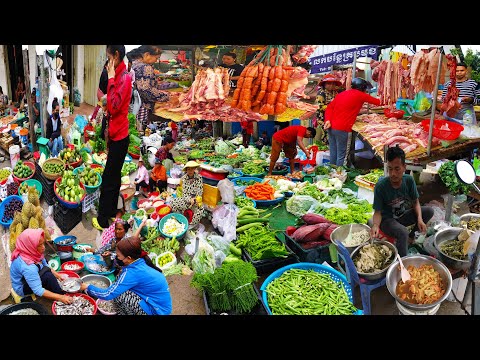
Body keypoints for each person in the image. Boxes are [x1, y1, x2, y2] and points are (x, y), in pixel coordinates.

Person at [80, 236, 172, 315]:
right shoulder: (140, 260)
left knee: (119, 294)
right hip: (160, 305)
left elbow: (108, 294)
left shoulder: (132, 273)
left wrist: (88, 287)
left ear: (128, 258)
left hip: (156, 310)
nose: (117, 257)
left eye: (118, 256)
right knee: (118, 282)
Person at [370, 146, 434, 257]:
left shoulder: (408, 180)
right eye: (390, 169)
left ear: (404, 167)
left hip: (403, 215)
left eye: (397, 168)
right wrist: (375, 225)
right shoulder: (381, 186)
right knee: (402, 231)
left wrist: (419, 219)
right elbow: (378, 212)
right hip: (387, 221)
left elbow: (416, 202)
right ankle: (403, 261)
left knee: (429, 211)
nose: (393, 173)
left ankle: (410, 237)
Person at [94, 45, 132, 230]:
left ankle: (102, 218)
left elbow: (114, 105)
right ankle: (110, 211)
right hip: (115, 134)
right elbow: (108, 102)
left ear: (116, 55)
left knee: (109, 177)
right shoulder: (119, 76)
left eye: (109, 57)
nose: (108, 61)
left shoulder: (124, 78)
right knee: (113, 176)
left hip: (121, 136)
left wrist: (110, 79)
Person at [324, 77, 381, 167]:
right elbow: (379, 102)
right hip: (343, 129)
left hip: (331, 127)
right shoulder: (361, 95)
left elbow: (329, 108)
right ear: (362, 88)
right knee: (342, 155)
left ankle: (331, 174)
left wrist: (327, 120)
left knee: (333, 152)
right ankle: (339, 176)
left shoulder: (342, 94)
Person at [10, 229, 73, 304]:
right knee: (48, 276)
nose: (43, 247)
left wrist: (59, 276)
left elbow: (46, 266)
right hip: (22, 287)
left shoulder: (31, 252)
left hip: (29, 276)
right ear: (30, 246)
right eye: (39, 245)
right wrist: (61, 297)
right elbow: (38, 290)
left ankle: (56, 290)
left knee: (47, 269)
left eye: (43, 243)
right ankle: (61, 294)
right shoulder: (28, 266)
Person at [127, 45, 179, 130]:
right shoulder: (145, 67)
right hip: (141, 107)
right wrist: (168, 97)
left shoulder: (133, 63)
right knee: (139, 131)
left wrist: (171, 85)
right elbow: (146, 90)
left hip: (131, 105)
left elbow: (147, 85)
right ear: (147, 55)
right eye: (156, 58)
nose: (156, 61)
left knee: (132, 130)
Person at [170, 161, 205, 226]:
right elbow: (184, 194)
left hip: (196, 201)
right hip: (186, 200)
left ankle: (192, 224)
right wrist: (189, 199)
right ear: (186, 170)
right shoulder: (184, 178)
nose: (190, 171)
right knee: (172, 202)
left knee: (201, 209)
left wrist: (194, 199)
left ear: (194, 169)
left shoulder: (199, 177)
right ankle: (180, 218)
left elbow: (200, 191)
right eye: (188, 169)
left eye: (192, 168)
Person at [315, 74, 342, 144]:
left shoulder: (335, 92)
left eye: (333, 84)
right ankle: (325, 147)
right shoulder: (321, 93)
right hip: (323, 117)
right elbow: (320, 106)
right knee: (326, 132)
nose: (331, 85)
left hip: (333, 117)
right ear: (324, 84)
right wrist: (332, 107)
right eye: (329, 84)